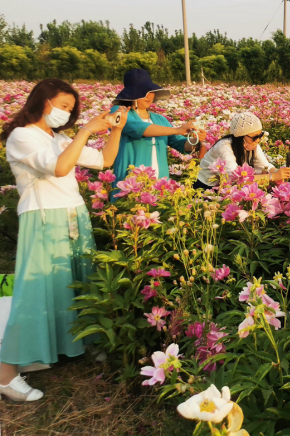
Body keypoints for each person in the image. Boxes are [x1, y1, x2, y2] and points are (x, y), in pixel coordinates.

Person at [0, 79, 127, 401]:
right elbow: (58, 168)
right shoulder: (22, 136)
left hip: (73, 214)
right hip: (43, 218)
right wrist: (86, 130)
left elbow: (104, 161)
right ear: (42, 101)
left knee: (77, 283)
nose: (66, 112)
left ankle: (78, 342)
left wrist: (114, 129)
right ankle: (5, 374)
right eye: (62, 105)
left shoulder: (58, 137)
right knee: (36, 290)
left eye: (70, 108)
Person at [109, 68, 206, 187]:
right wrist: (178, 130)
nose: (148, 96)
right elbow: (138, 128)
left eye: (151, 92)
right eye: (143, 92)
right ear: (131, 94)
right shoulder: (119, 112)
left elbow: (179, 143)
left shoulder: (160, 119)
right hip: (130, 184)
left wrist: (194, 139)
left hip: (160, 184)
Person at [194, 112, 290, 189]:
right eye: (254, 137)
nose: (258, 140)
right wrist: (273, 176)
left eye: (260, 135)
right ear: (240, 136)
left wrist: (280, 172)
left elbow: (265, 165)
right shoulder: (223, 147)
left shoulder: (252, 144)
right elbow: (236, 179)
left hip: (223, 186)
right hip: (205, 186)